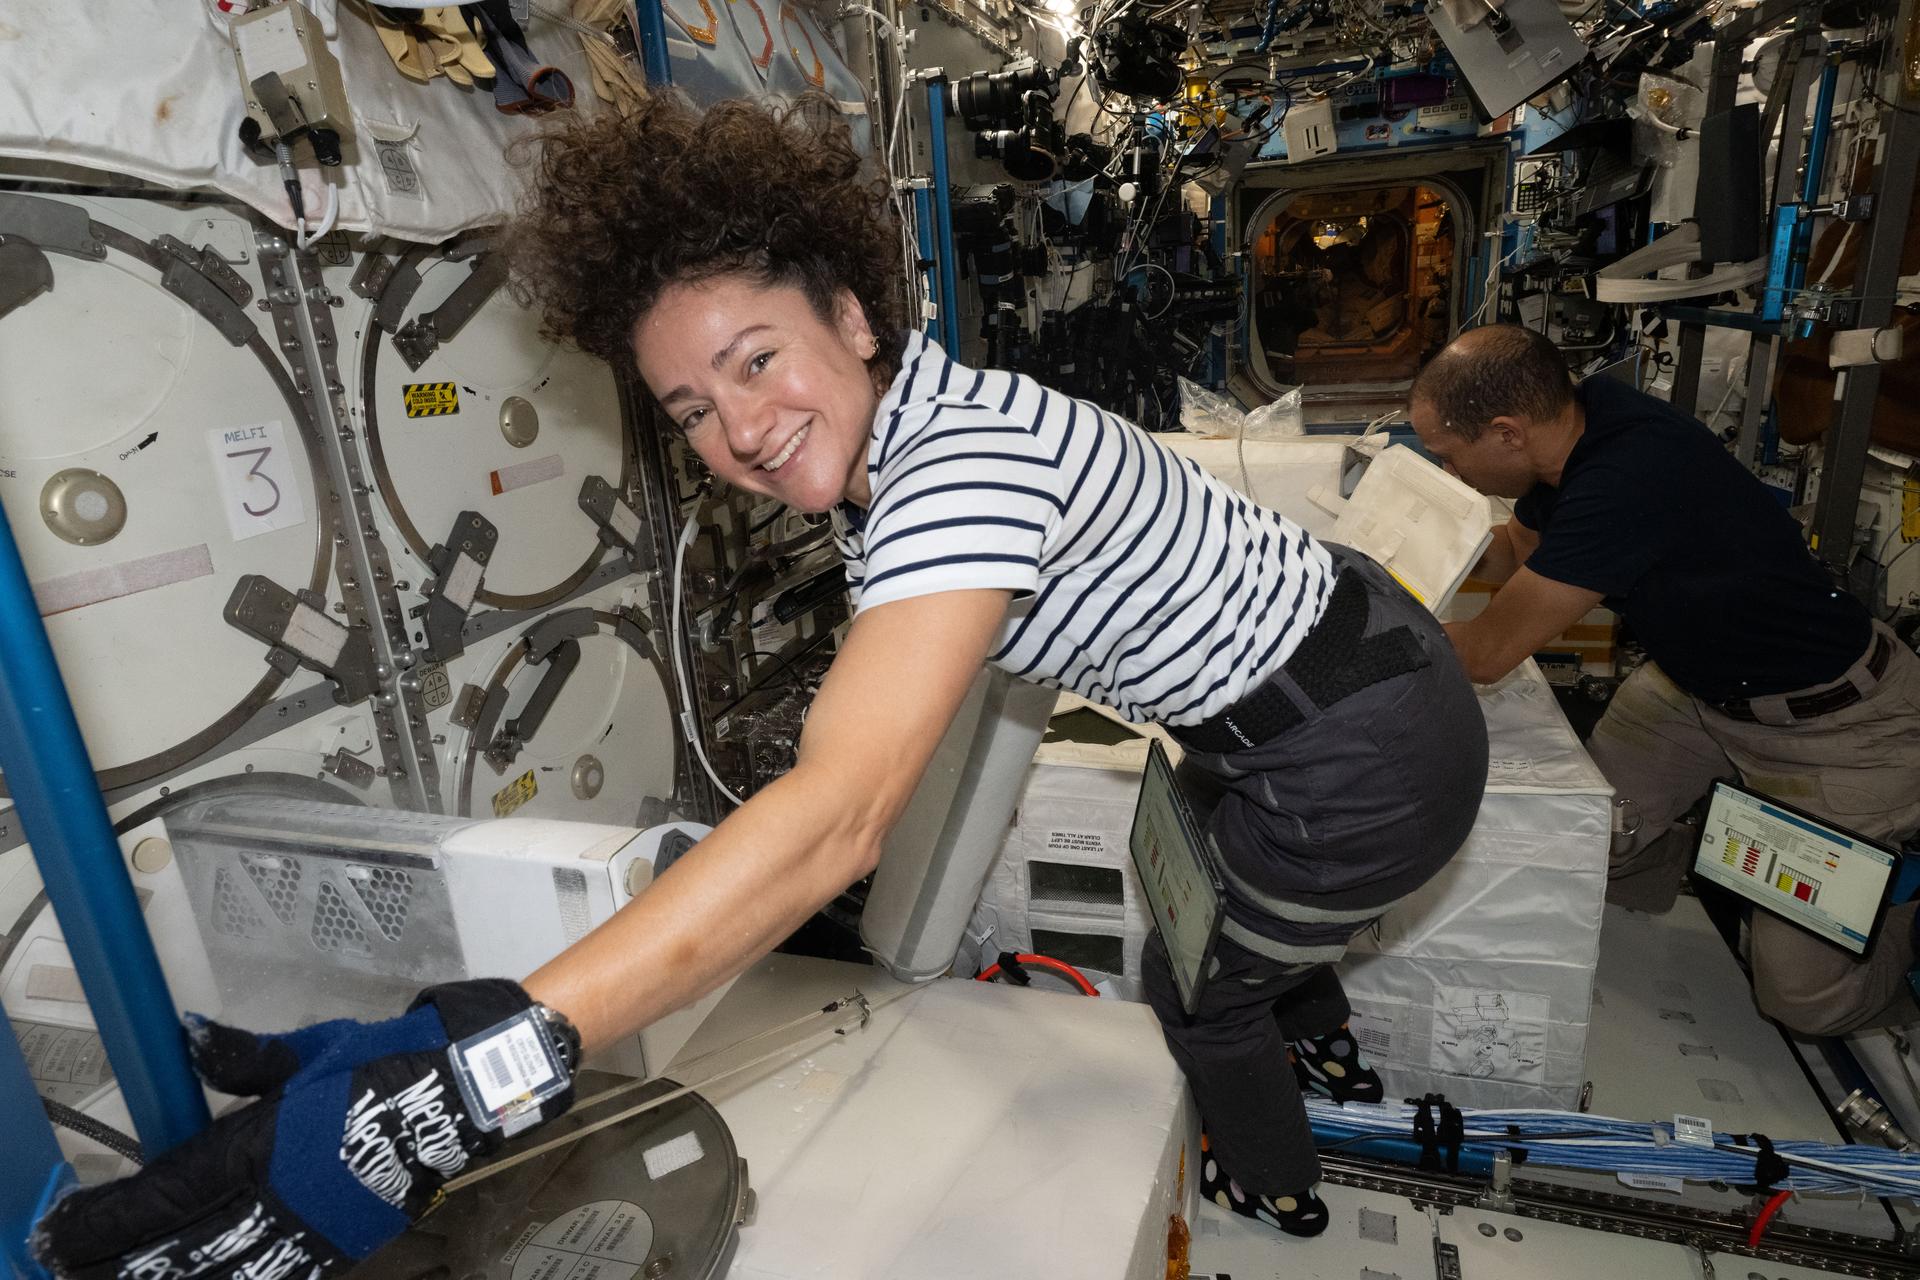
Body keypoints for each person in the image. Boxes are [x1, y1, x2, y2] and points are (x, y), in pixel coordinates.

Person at [31, 96, 1487, 1278]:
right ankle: (1318, 1022)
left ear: (852, 315)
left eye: (755, 359)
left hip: (1361, 745)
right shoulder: (914, 429)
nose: (738, 430)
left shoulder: (953, 476)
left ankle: (1281, 1189)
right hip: (1321, 672)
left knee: (1193, 982)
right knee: (1225, 909)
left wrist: (488, 1068)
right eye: (691, 409)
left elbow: (841, 812)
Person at [1411, 324, 1920, 1037]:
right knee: (1580, 839)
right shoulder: (1574, 435)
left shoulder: (1626, 476)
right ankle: (1710, 855)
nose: (1451, 473)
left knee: (1801, 1000)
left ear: (1505, 434)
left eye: (1446, 456)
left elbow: (1487, 653)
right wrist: (1386, 544)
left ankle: (1891, 903)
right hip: (1693, 691)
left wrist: (1358, 629)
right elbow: (1515, 554)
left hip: (1836, 727)